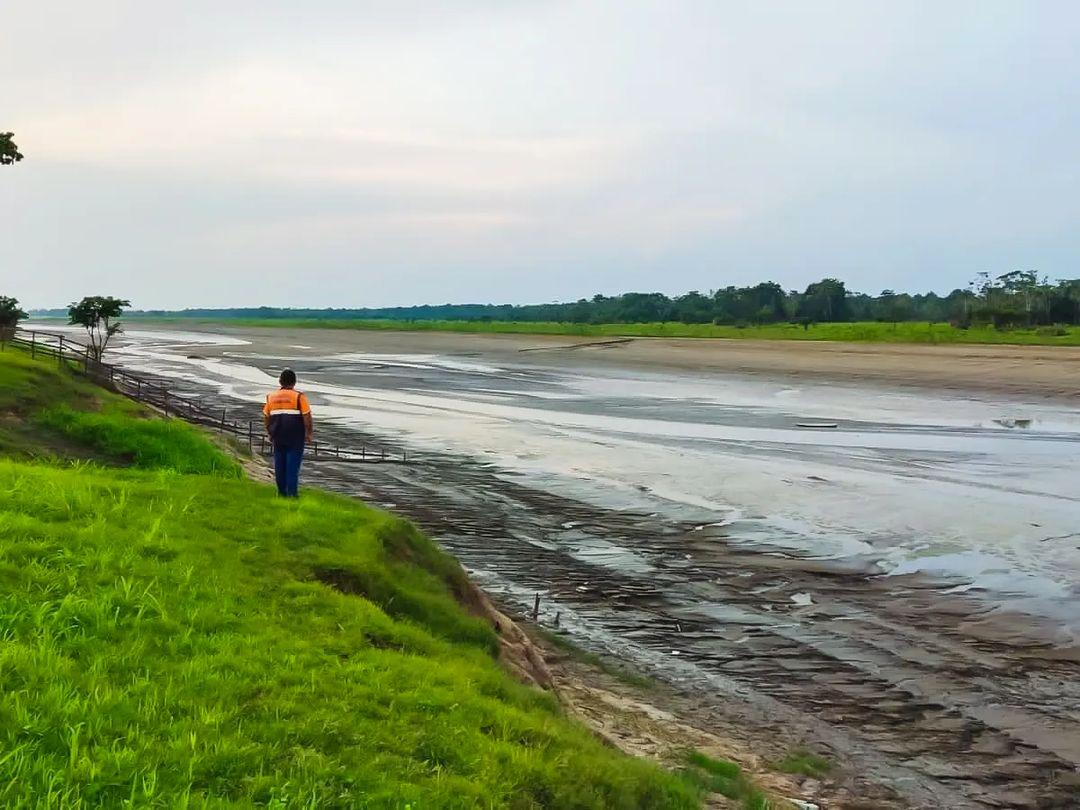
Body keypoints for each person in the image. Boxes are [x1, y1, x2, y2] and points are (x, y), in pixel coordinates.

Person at [263, 368, 313, 497]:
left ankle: (281, 493)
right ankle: (292, 495)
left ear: (280, 381)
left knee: (280, 465)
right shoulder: (299, 397)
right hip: (295, 436)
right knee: (292, 467)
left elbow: (266, 417)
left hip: (277, 435)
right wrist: (309, 433)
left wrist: (269, 432)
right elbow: (306, 417)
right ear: (294, 382)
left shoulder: (271, 397)